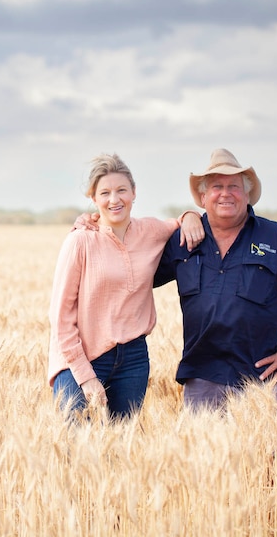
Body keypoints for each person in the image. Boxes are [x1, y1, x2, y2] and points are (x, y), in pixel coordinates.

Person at [153, 148, 277, 411]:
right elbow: (136, 275)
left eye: (234, 186)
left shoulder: (276, 238)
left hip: (260, 382)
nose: (226, 193)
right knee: (202, 454)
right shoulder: (183, 240)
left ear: (247, 194)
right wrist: (96, 226)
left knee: (263, 453)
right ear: (204, 197)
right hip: (201, 380)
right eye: (217, 186)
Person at [47, 153, 205, 421]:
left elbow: (179, 223)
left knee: (121, 449)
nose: (114, 199)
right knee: (75, 452)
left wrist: (191, 215)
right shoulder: (80, 242)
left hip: (133, 360)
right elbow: (60, 318)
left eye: (121, 190)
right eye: (105, 193)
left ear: (134, 193)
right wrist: (86, 377)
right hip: (82, 357)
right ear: (94, 199)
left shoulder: (151, 231)